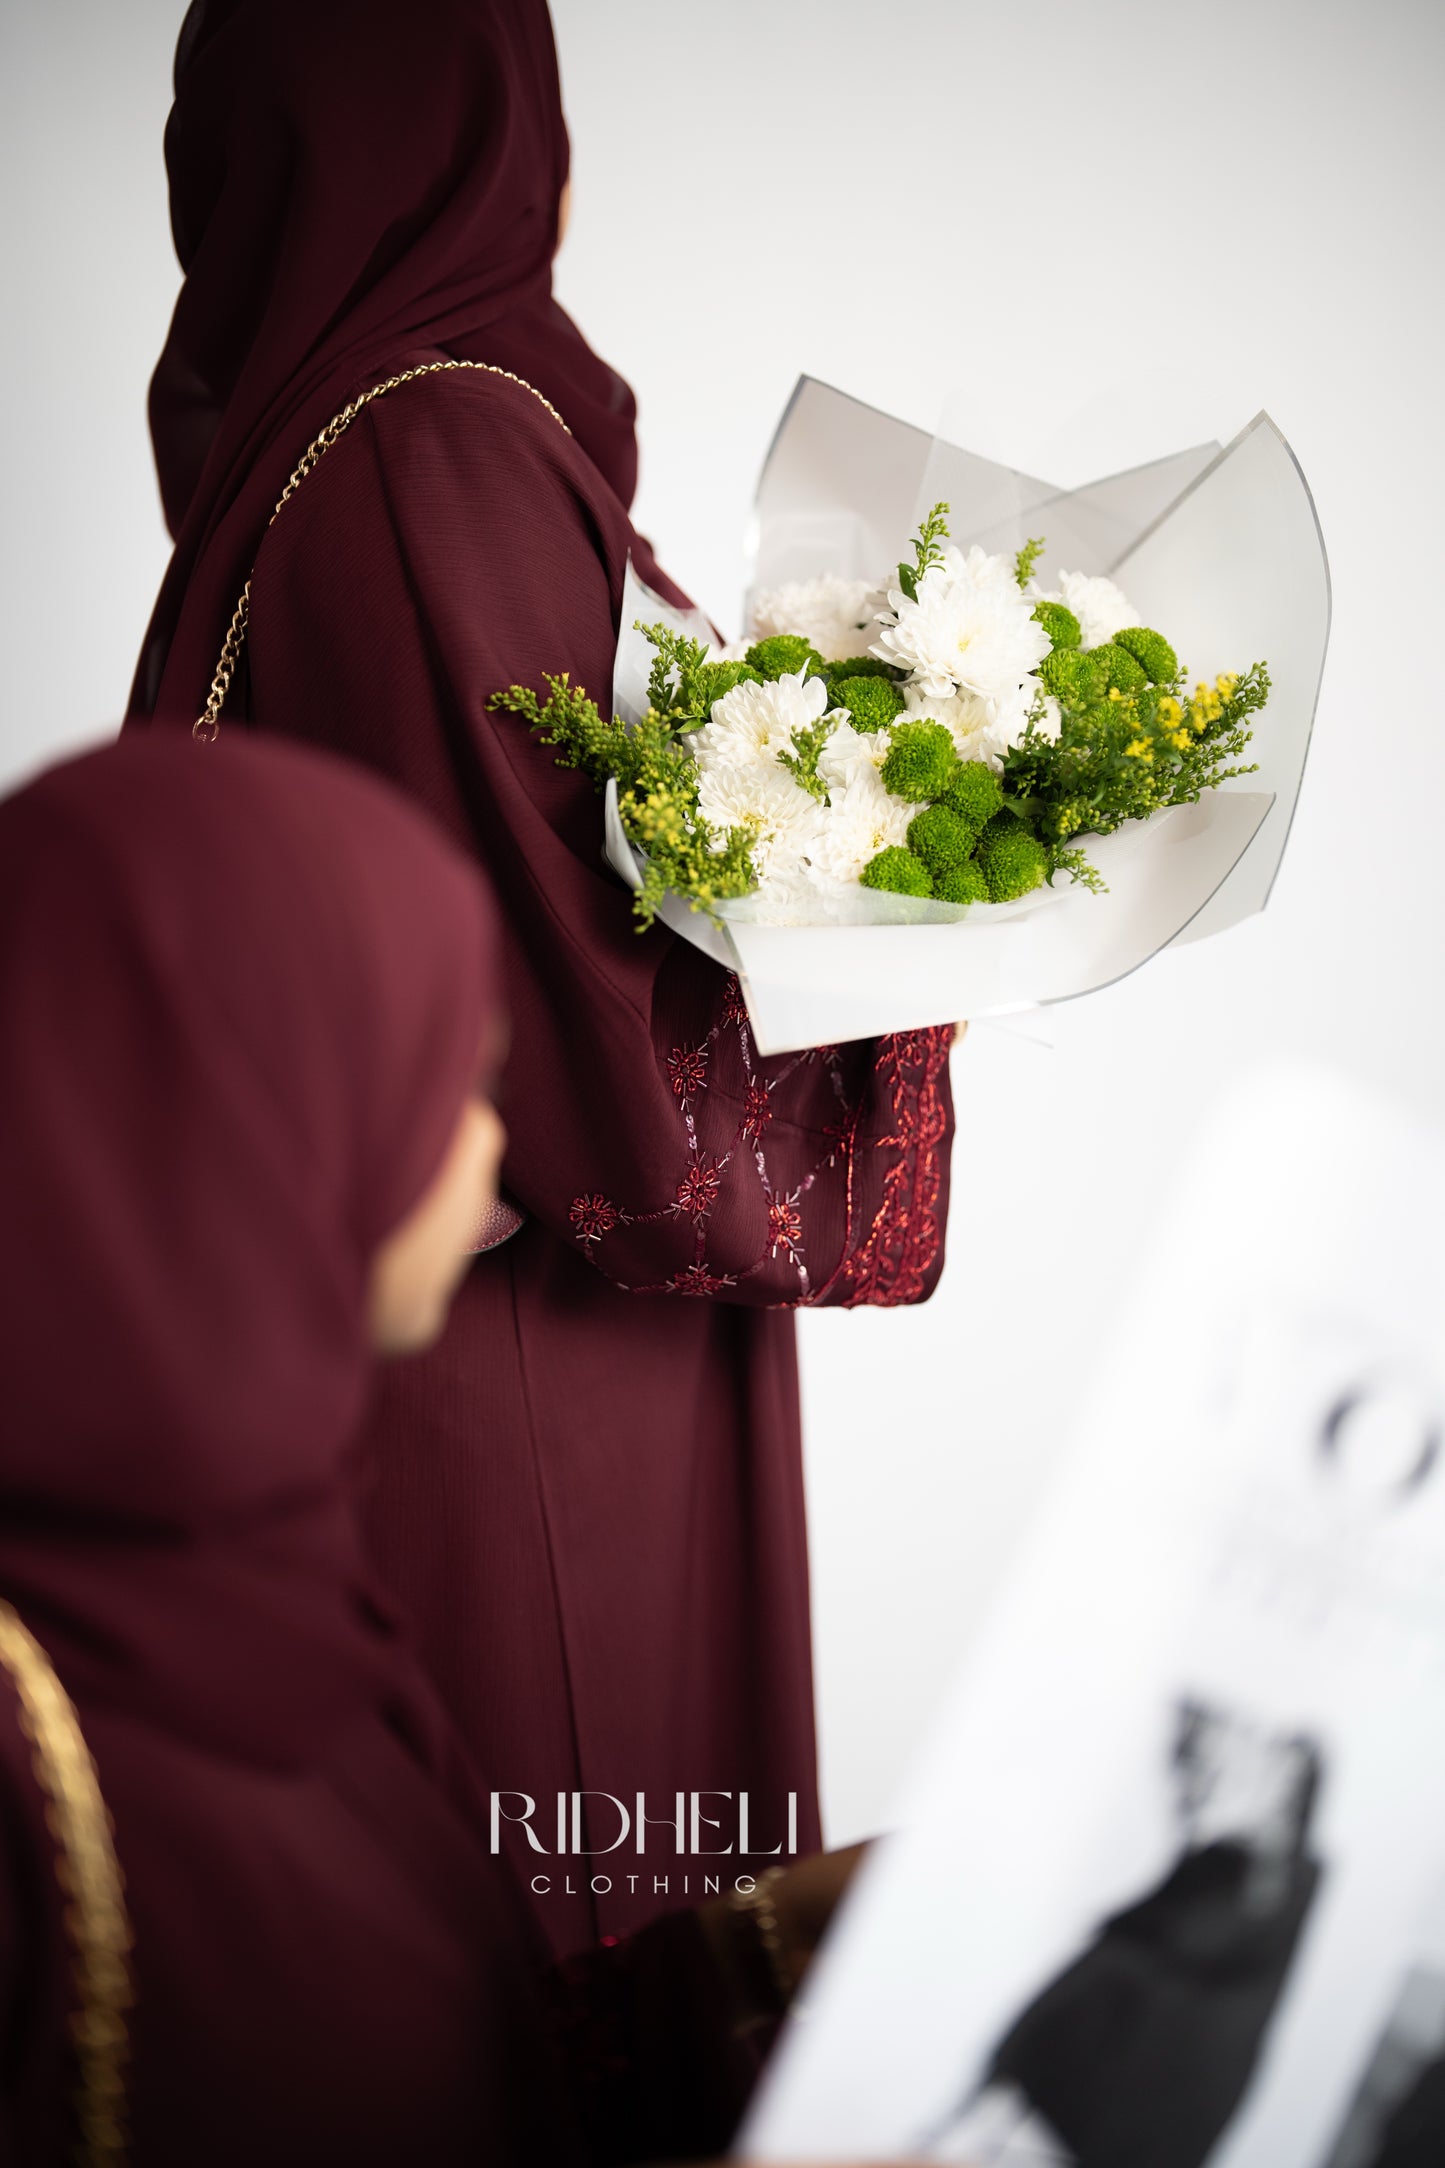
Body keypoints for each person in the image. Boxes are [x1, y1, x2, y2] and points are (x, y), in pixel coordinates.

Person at [124, 0, 956, 1957]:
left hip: (453, 1378)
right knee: (575, 1967)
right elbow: (607, 1071)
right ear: (498, 135)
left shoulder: (310, 472)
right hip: (543, 1413)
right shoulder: (433, 453)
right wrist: (908, 901)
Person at [0, 731, 879, 2167]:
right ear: (251, 1131)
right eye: (443, 1082)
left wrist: (769, 1947)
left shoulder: (263, 1603)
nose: (488, 1149)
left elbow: (420, 2082)